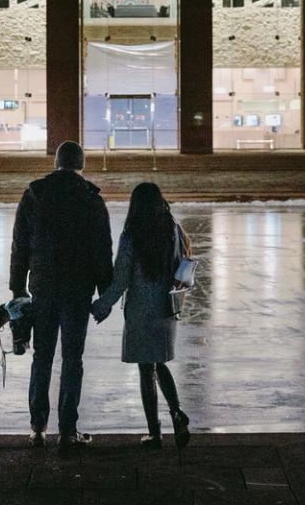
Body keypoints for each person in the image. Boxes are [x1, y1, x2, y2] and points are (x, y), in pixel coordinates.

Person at [10, 140, 112, 450]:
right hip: (77, 291)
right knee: (72, 358)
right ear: (82, 165)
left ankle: (38, 428)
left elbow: (20, 246)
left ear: (56, 164)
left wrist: (18, 288)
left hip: (42, 288)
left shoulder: (34, 194)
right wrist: (105, 295)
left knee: (42, 357)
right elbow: (102, 250)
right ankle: (68, 430)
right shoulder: (91, 199)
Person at [91, 182, 192, 449]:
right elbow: (185, 266)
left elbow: (121, 279)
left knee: (146, 369)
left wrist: (102, 305)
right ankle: (176, 412)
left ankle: (155, 433)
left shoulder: (131, 236)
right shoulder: (174, 230)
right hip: (167, 308)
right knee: (160, 362)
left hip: (140, 310)